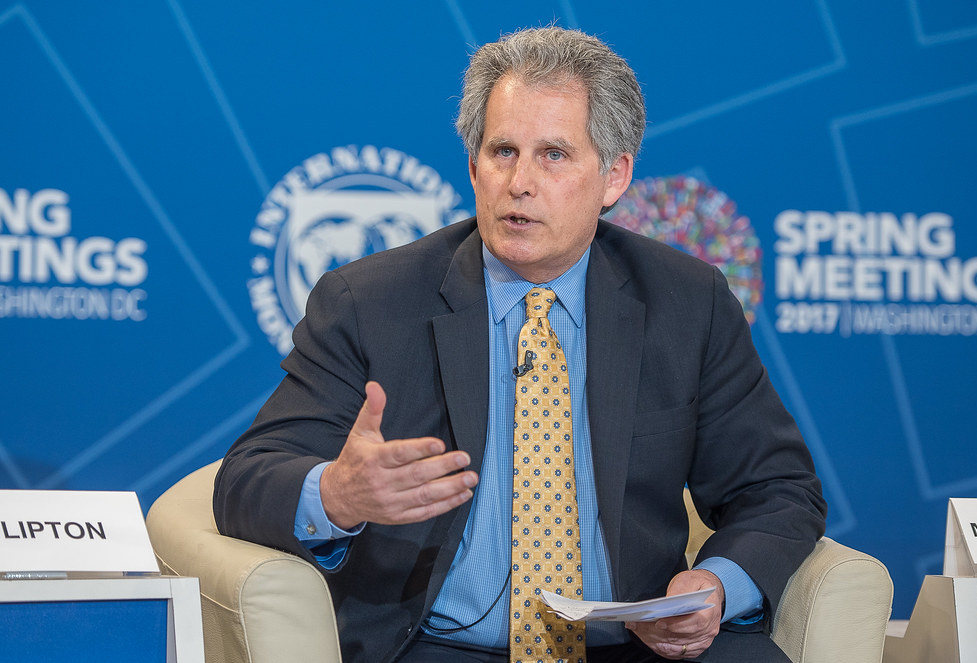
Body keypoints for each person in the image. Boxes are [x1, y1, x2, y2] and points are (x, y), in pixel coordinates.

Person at [214, 26, 826, 663]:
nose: (519, 182)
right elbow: (245, 479)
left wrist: (715, 588)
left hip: (634, 646)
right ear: (473, 168)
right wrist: (338, 495)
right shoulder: (370, 302)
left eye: (553, 155)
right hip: (437, 646)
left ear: (614, 176)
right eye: (502, 151)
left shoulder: (687, 301)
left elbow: (778, 488)